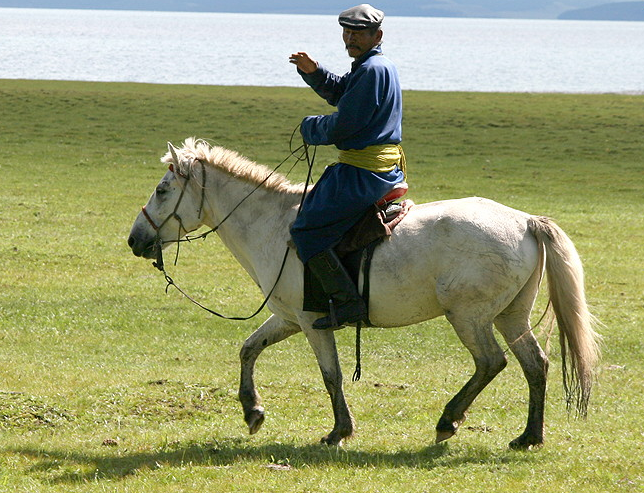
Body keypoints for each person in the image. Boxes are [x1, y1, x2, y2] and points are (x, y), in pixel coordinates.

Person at [289, 4, 405, 330]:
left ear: (377, 35)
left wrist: (311, 128)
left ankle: (347, 303)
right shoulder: (373, 66)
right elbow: (343, 93)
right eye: (347, 31)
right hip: (375, 168)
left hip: (363, 174)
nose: (350, 38)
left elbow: (345, 125)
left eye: (358, 33)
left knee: (305, 231)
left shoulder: (370, 70)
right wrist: (314, 72)